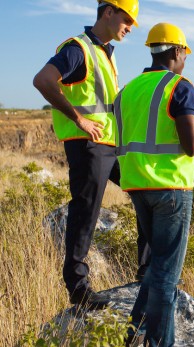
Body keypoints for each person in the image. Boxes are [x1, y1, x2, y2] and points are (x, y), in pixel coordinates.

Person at [114, 22, 194, 346]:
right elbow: (192, 145)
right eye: (185, 55)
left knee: (156, 265)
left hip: (137, 187)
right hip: (172, 190)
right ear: (177, 52)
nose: (185, 61)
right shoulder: (180, 87)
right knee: (167, 275)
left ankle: (133, 333)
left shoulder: (127, 91)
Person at [33, 0, 150, 309]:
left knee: (147, 190)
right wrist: (79, 119)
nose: (129, 27)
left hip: (110, 145)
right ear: (108, 12)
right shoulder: (78, 48)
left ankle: (148, 271)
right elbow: (43, 80)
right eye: (127, 19)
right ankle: (78, 287)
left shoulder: (105, 54)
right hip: (88, 144)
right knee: (86, 210)